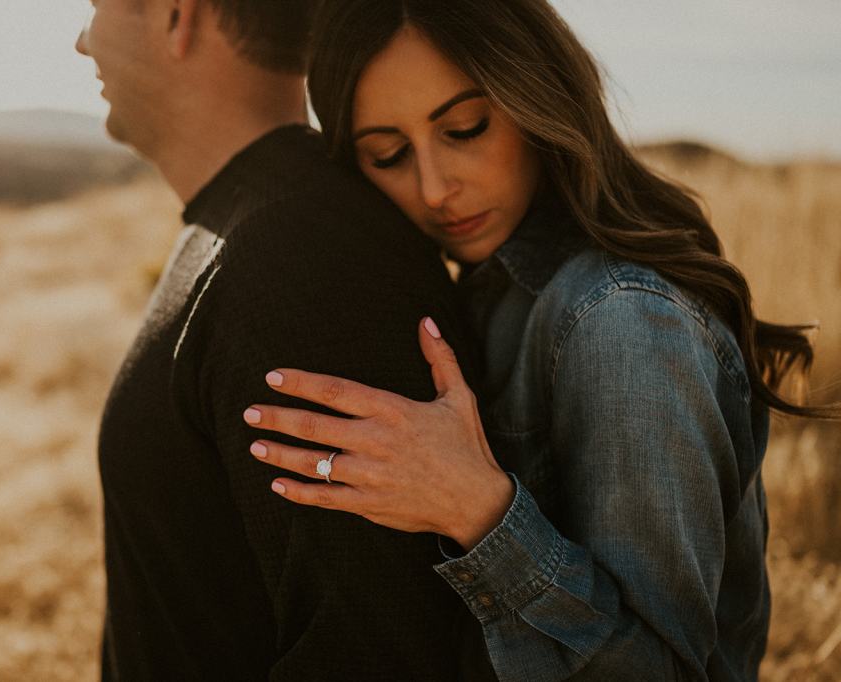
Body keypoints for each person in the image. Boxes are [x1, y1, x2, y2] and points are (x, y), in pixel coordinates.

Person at [243, 1, 840, 679]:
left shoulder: (623, 323)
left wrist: (480, 513)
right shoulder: (491, 295)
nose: (436, 189)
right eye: (389, 154)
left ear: (538, 97)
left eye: (465, 128)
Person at [76, 0, 496, 679]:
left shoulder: (301, 258)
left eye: (95, 6)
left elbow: (377, 651)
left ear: (177, 14)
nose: (81, 40)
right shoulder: (260, 230)